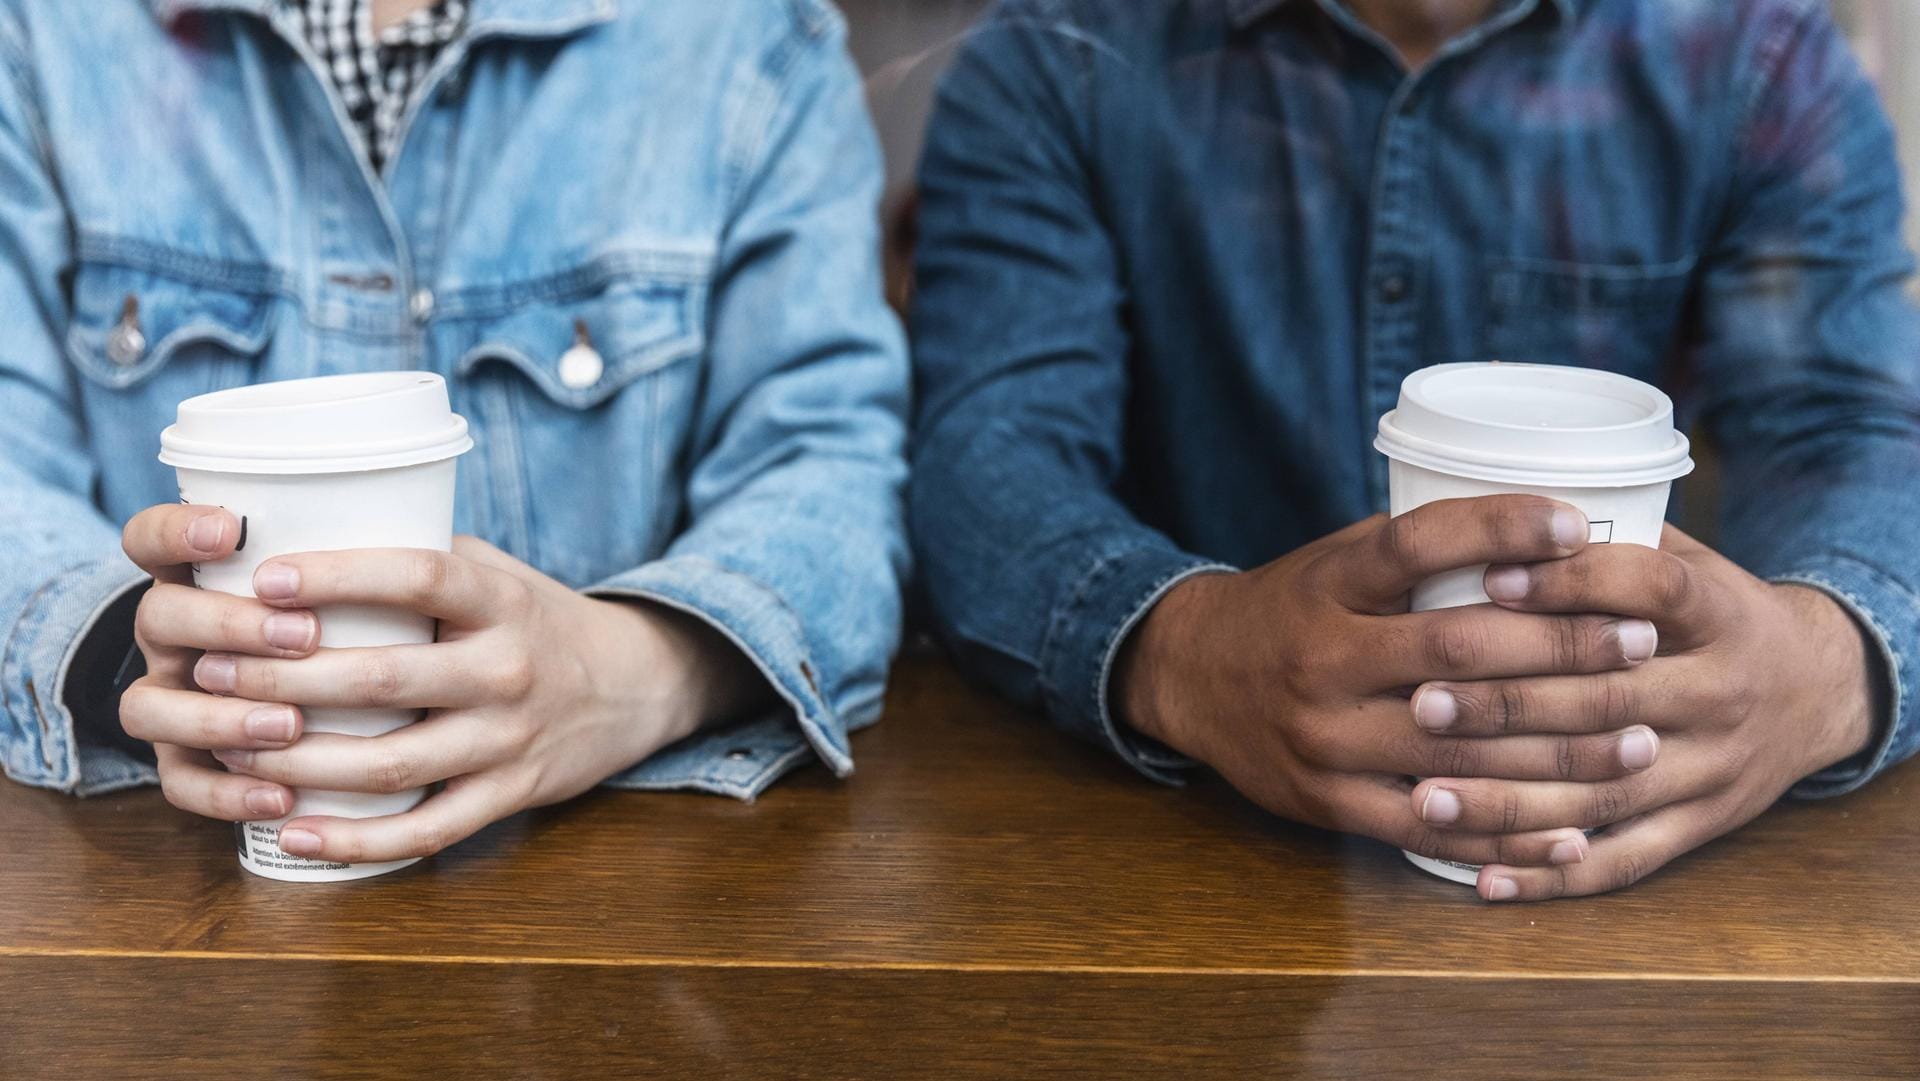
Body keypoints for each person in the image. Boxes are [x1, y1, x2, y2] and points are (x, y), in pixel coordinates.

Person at [909, 0, 1920, 901]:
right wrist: (1176, 650)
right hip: (1204, 869)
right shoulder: (1060, 52)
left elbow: (1854, 424)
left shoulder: (1754, 50)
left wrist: (1825, 666)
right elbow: (985, 448)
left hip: (1614, 869)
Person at [0, 0, 909, 864]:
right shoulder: (43, 35)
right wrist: (141, 649)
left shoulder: (746, 41)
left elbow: (828, 464)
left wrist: (635, 665)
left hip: (597, 903)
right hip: (171, 898)